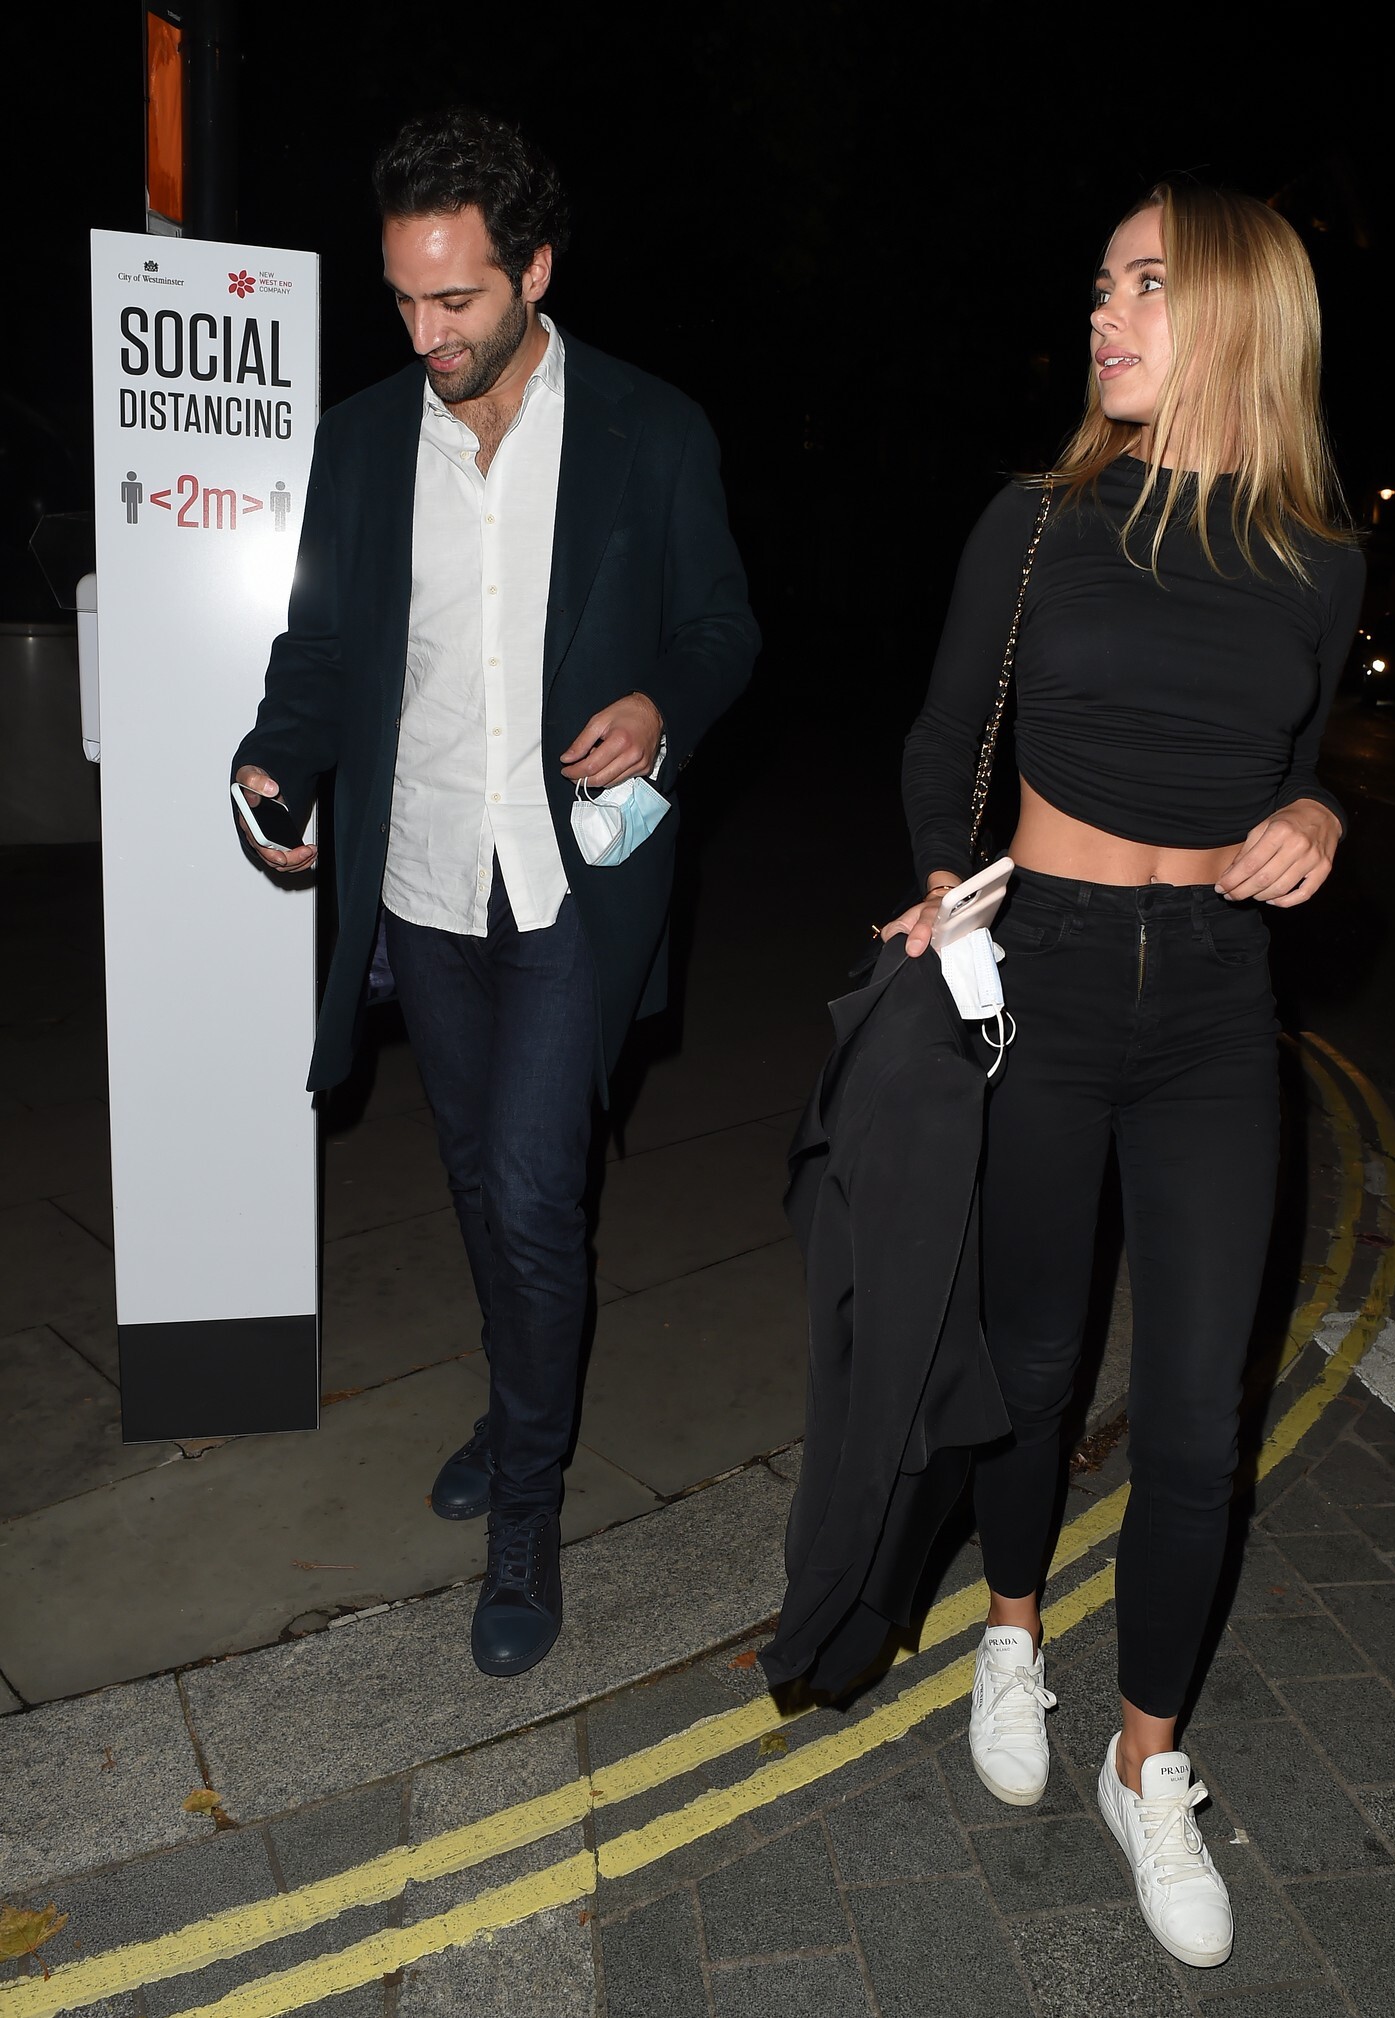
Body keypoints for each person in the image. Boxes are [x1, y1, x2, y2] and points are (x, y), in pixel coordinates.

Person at [886, 181, 1362, 1969]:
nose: (1106, 313)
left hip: (1220, 1004)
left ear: (1239, 312)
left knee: (1196, 1419)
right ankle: (1011, 1628)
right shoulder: (1036, 522)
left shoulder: (1321, 557)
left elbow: (1301, 761)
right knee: (1031, 1360)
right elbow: (944, 741)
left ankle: (1146, 1760)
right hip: (1050, 971)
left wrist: (1318, 814)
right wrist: (948, 884)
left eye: (1148, 286)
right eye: (1102, 284)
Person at [232, 110, 758, 1679]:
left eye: (455, 298)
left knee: (534, 1193)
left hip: (569, 885)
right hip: (419, 877)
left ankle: (527, 1504)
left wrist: (661, 704)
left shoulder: (651, 431)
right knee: (477, 1178)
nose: (426, 333)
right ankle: (516, 1400)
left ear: (534, 270)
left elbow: (723, 630)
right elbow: (320, 651)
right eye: (403, 298)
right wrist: (274, 761)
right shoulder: (359, 442)